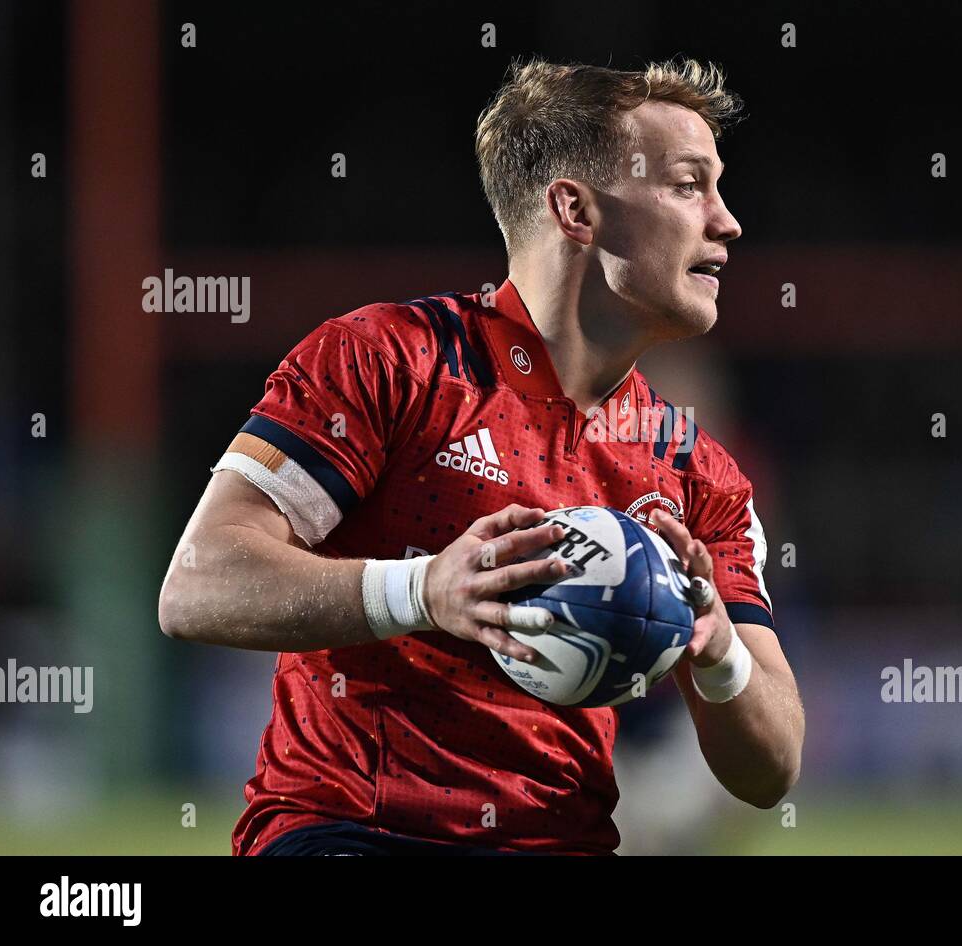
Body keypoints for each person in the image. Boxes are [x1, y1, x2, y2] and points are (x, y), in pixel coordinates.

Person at [158, 57, 804, 856]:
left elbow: (773, 770)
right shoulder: (391, 361)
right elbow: (196, 586)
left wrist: (716, 650)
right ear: (576, 210)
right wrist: (422, 588)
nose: (726, 221)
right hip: (349, 832)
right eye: (687, 185)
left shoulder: (696, 469)